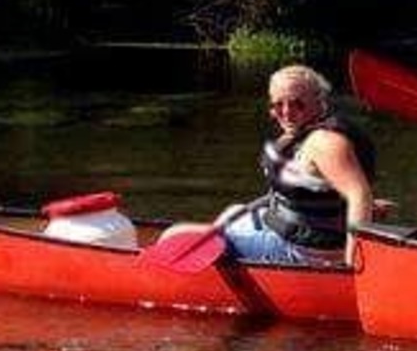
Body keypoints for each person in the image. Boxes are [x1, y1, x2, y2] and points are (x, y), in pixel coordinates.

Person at [161, 64, 377, 266]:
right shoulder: (304, 131)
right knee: (234, 210)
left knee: (173, 235)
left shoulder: (324, 142)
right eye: (278, 105)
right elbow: (326, 186)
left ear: (319, 100)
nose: (286, 112)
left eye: (297, 104)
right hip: (296, 233)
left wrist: (352, 263)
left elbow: (359, 194)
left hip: (304, 252)